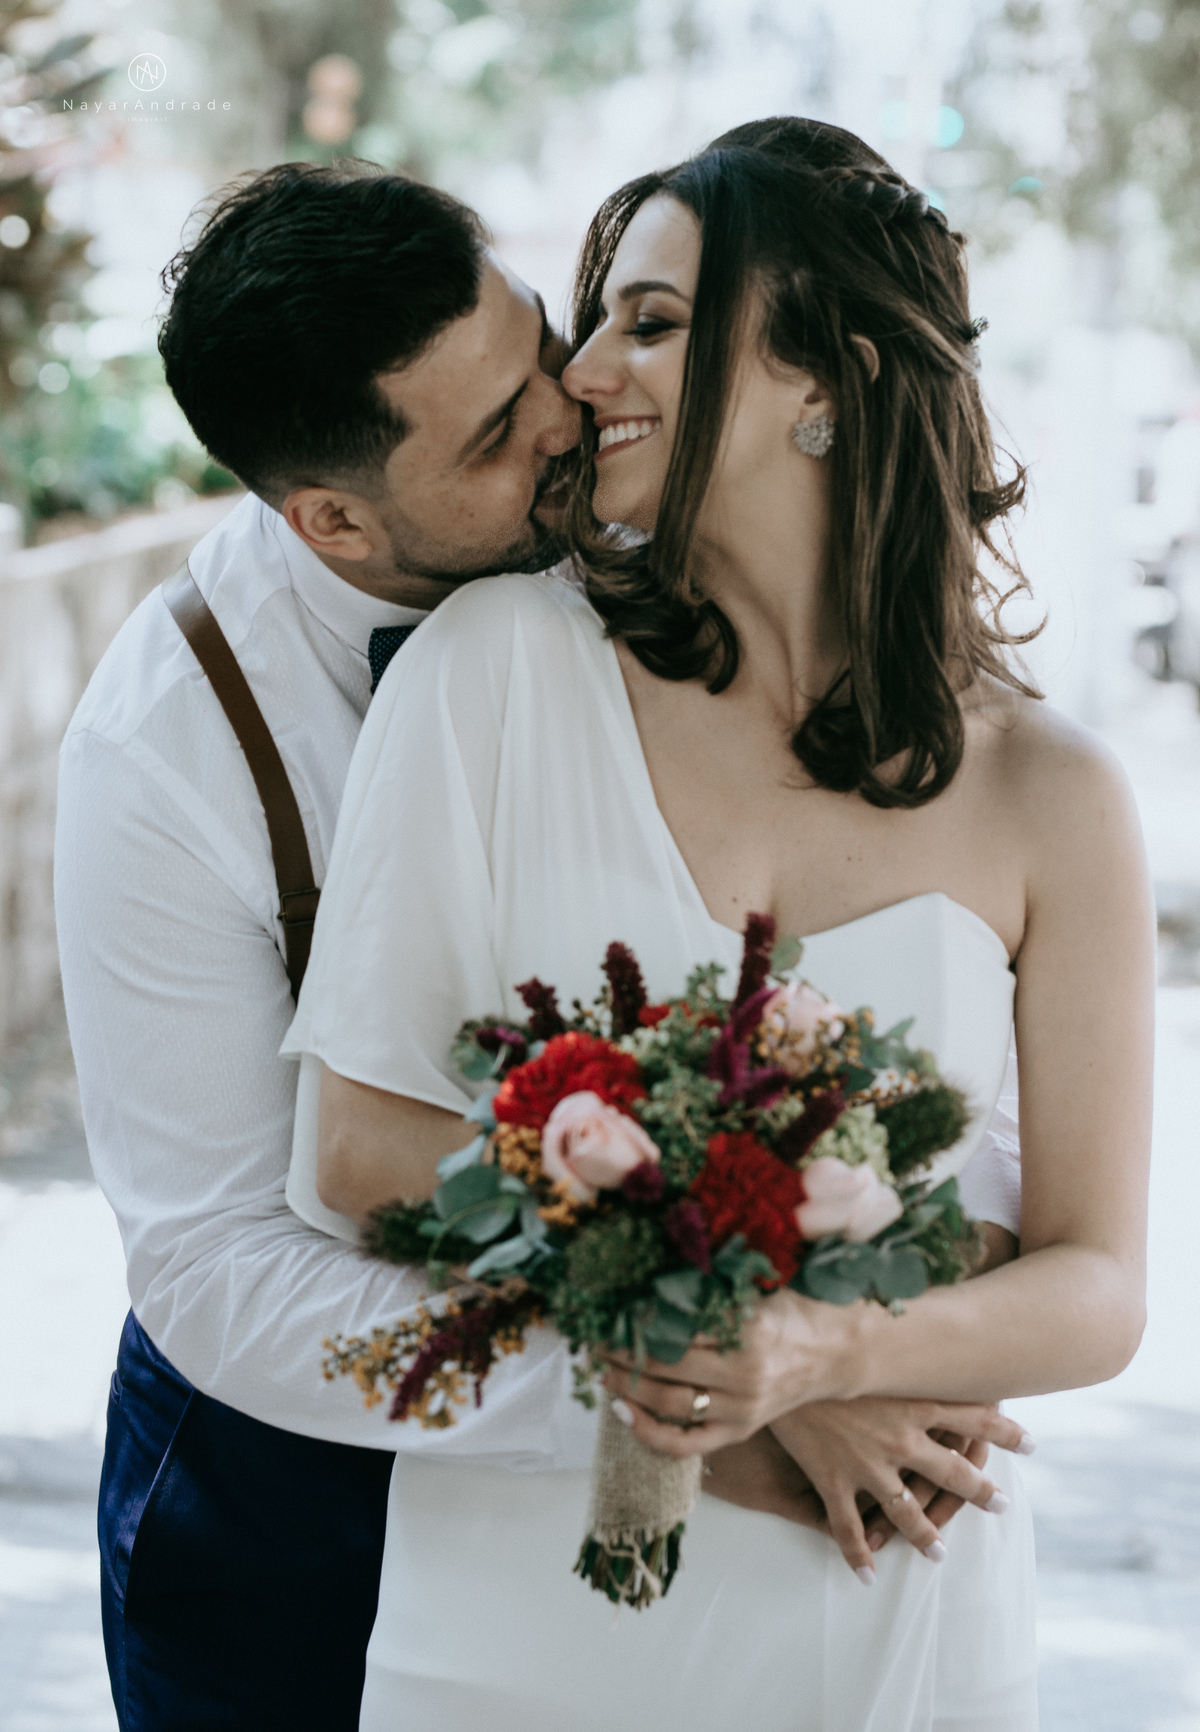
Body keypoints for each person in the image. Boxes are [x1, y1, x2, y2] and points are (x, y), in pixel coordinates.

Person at [55, 146, 1028, 1729]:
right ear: (337, 522)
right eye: (503, 434)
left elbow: (893, 930)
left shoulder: (632, 535)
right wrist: (715, 1399)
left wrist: (865, 1311)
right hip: (288, 1471)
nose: (576, 408)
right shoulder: (162, 757)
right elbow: (224, 1269)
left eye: (540, 340)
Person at [282, 118, 1154, 1731]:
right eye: (605, 313)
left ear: (828, 378)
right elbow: (357, 1149)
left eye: (656, 322)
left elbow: (1098, 1286)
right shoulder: (490, 675)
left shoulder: (1056, 794)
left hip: (894, 1609)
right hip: (516, 1631)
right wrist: (735, 1340)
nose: (587, 371)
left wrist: (831, 1356)